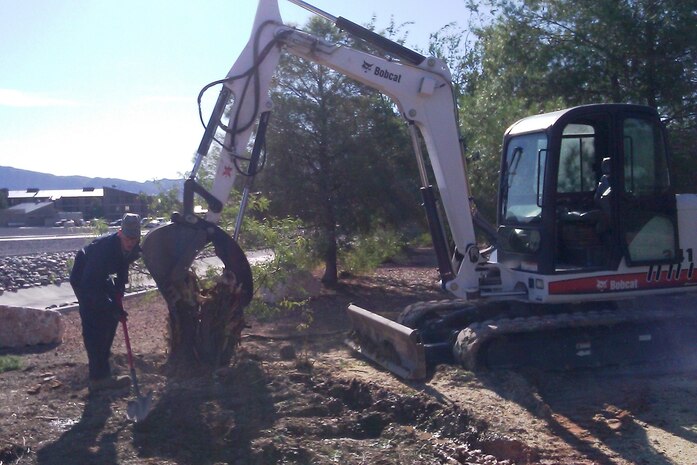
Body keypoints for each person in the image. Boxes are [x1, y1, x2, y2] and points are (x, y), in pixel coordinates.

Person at [70, 213, 142, 392]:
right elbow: (90, 285)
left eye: (134, 239)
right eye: (127, 238)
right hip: (84, 278)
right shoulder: (103, 250)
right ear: (119, 233)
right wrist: (110, 306)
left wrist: (117, 302)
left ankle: (104, 375)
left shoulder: (133, 248)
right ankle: (96, 379)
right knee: (94, 324)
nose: (130, 242)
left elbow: (121, 269)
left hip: (104, 278)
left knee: (110, 322)